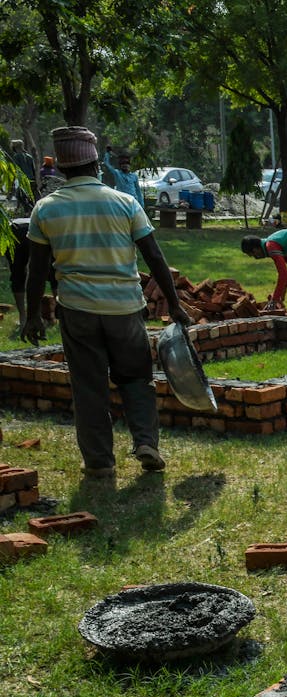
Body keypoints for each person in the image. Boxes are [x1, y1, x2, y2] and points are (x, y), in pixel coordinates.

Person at [23, 126, 190, 477]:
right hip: (125, 309)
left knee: (89, 386)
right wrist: (174, 303)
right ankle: (146, 442)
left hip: (77, 311)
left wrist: (34, 316)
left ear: (62, 169)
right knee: (137, 378)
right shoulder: (124, 203)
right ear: (97, 163)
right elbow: (154, 257)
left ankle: (100, 463)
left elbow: (36, 269)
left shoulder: (46, 209)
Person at [8, 140, 36, 212]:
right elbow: (33, 169)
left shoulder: (17, 157)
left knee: (19, 196)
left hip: (23, 180)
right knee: (29, 196)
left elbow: (16, 170)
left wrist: (13, 181)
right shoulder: (29, 156)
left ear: (15, 147)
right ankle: (28, 210)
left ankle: (28, 210)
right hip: (31, 179)